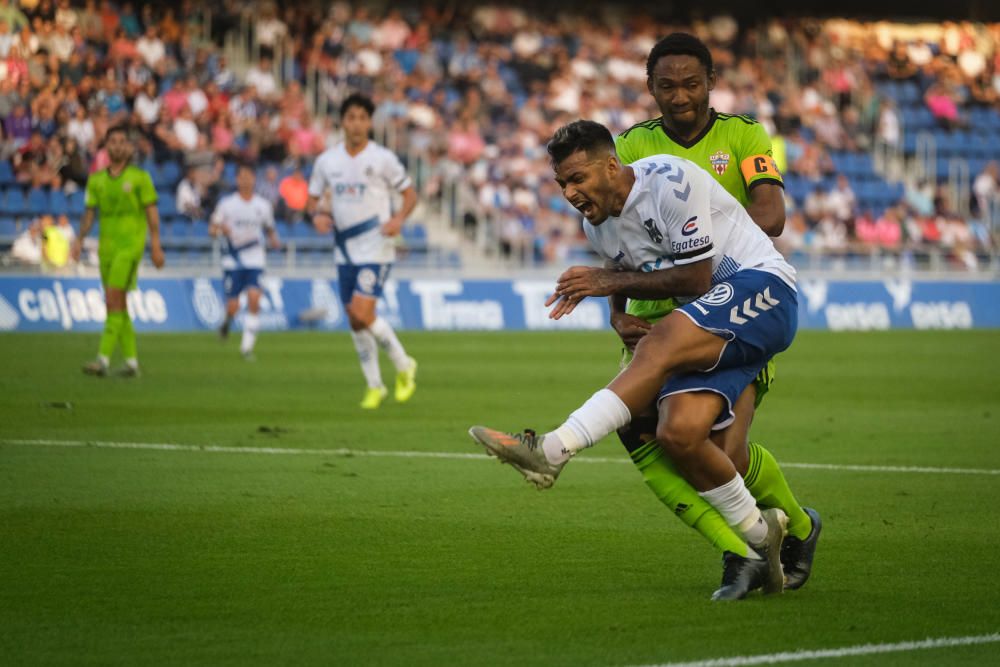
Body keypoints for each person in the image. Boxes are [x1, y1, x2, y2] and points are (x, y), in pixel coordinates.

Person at [471, 121, 800, 600]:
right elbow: (619, 268)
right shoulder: (598, 225)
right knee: (678, 434)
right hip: (719, 321)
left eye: (579, 178)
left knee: (661, 343)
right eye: (563, 183)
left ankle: (551, 451)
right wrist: (616, 316)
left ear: (611, 165)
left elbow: (694, 278)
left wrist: (608, 287)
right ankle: (758, 537)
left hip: (765, 289)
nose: (570, 192)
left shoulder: (670, 180)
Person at [610, 33, 819, 593]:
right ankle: (738, 555)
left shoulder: (743, 134)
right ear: (649, 88)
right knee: (651, 436)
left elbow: (771, 215)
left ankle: (799, 526)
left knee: (721, 450)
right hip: (657, 313)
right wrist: (616, 312)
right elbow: (614, 230)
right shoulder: (631, 145)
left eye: (691, 83)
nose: (680, 97)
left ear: (711, 84)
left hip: (738, 306)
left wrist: (698, 225)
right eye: (666, 85)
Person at [306, 93, 419, 409]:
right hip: (344, 250)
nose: (356, 123)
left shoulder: (383, 158)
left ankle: (404, 363)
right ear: (342, 121)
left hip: (377, 247)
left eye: (362, 117)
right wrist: (316, 216)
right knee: (355, 320)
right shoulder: (327, 162)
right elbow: (311, 200)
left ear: (369, 122)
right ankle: (375, 385)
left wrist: (398, 218)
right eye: (350, 117)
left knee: (361, 313)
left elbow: (410, 195)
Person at [71, 124, 164, 377]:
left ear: (129, 147)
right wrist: (79, 239)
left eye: (122, 141)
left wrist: (155, 245)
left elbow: (152, 213)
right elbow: (89, 214)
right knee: (118, 304)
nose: (118, 146)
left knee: (112, 299)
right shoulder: (96, 180)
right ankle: (132, 363)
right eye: (113, 141)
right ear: (106, 146)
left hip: (130, 247)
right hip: (106, 249)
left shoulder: (139, 178)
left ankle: (102, 359)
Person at [209, 162, 280, 360]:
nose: (246, 180)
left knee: (254, 299)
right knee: (233, 306)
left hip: (256, 260)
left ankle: (246, 349)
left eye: (250, 176)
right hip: (233, 260)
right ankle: (227, 322)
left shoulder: (263, 206)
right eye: (242, 177)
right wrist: (221, 229)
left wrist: (274, 240)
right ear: (237, 179)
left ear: (254, 179)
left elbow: (269, 228)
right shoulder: (226, 204)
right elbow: (212, 229)